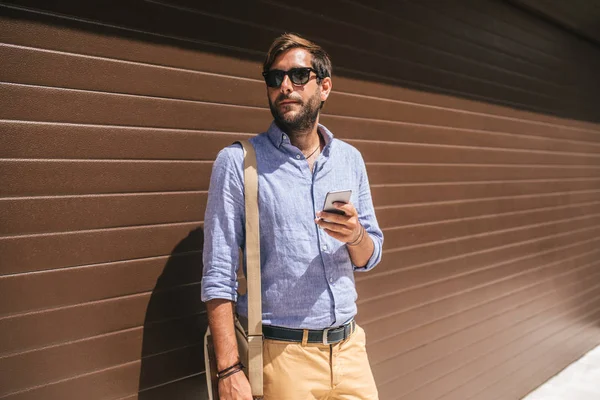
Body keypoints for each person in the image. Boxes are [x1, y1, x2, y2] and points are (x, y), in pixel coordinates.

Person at [201, 33, 383, 400]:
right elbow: (218, 275)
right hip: (282, 359)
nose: (285, 86)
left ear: (324, 86)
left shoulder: (349, 159)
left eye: (299, 75)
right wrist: (229, 370)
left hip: (349, 351)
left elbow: (370, 255)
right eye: (275, 78)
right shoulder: (238, 163)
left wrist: (355, 236)